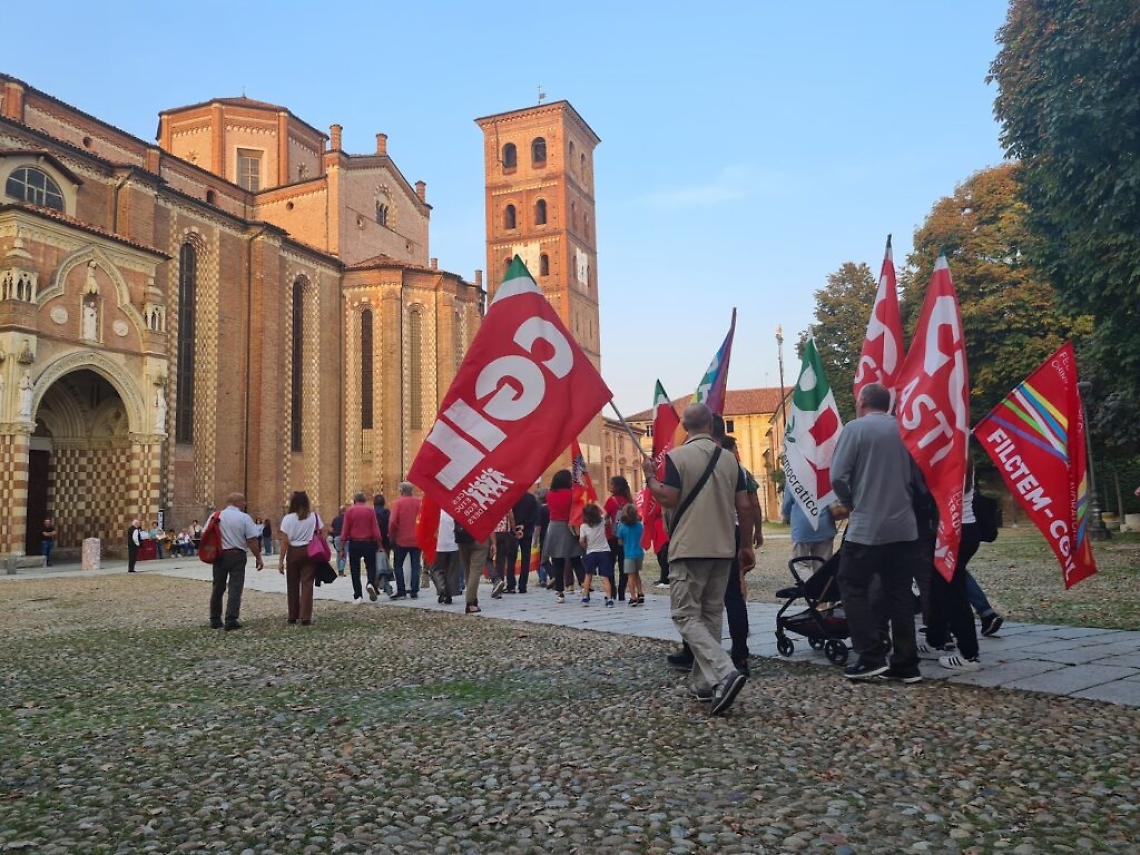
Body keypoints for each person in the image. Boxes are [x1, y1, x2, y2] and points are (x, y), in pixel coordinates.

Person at [642, 403, 756, 716]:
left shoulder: (676, 458)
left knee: (684, 615)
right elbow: (744, 506)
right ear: (711, 424)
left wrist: (650, 478)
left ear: (685, 427)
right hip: (722, 548)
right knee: (710, 614)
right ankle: (705, 684)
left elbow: (668, 497)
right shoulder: (731, 460)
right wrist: (745, 545)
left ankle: (724, 670)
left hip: (690, 546)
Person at [830, 383, 924, 682]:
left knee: (850, 583)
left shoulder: (855, 430)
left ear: (862, 402)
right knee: (899, 593)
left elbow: (837, 476)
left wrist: (849, 501)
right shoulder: (905, 431)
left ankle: (870, 653)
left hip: (868, 526)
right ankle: (906, 663)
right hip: (904, 526)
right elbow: (918, 476)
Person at [926, 469, 985, 672]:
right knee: (938, 588)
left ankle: (969, 654)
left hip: (954, 531)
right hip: (964, 528)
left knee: (953, 592)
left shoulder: (951, 456)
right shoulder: (963, 451)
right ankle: (935, 640)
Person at [209, 493, 264, 630]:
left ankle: (215, 619)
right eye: (243, 501)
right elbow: (251, 539)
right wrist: (258, 557)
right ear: (236, 502)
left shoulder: (216, 516)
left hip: (220, 555)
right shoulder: (244, 517)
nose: (245, 504)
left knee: (218, 587)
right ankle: (231, 619)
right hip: (237, 555)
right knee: (235, 587)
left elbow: (206, 534)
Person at [277, 491, 326, 625]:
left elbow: (285, 541)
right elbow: (322, 532)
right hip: (309, 550)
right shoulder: (314, 516)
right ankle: (305, 615)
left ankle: (292, 615)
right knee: (307, 583)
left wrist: (281, 561)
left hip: (293, 551)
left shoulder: (287, 519)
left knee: (292, 583)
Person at [542, 469, 584, 604]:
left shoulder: (550, 494)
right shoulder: (571, 494)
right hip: (568, 526)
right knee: (576, 558)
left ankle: (560, 592)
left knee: (557, 561)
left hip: (554, 527)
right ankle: (584, 585)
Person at [339, 491, 385, 603]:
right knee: (371, 566)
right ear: (365, 501)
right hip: (369, 542)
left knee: (355, 569)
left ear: (354, 501)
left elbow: (345, 531)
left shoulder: (349, 512)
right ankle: (370, 583)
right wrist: (379, 545)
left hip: (355, 542)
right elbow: (375, 529)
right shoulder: (370, 511)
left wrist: (342, 548)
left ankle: (358, 595)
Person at [782, 488, 838, 563]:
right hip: (824, 526)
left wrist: (786, 516)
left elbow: (787, 504)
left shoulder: (793, 478)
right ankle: (821, 575)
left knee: (799, 564)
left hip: (802, 527)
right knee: (823, 565)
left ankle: (807, 575)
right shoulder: (825, 477)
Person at [389, 482, 422, 600]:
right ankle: (414, 591)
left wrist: (392, 535)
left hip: (401, 539)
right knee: (415, 565)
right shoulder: (419, 502)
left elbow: (392, 521)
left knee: (398, 565)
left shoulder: (398, 503)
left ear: (401, 491)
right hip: (417, 539)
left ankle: (401, 590)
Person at [578, 502, 614, 606]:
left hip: (591, 552)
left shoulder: (583, 526)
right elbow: (606, 513)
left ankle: (585, 597)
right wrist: (598, 504)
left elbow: (581, 541)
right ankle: (609, 598)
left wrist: (586, 547)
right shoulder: (601, 521)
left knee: (588, 575)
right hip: (604, 551)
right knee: (604, 577)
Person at [605, 476, 634, 600]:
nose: (609, 486)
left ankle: (612, 590)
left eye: (611, 484)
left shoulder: (611, 501)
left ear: (616, 487)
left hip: (611, 536)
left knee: (609, 564)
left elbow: (604, 515)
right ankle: (622, 591)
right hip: (625, 537)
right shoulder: (629, 502)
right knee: (624, 566)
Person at [614, 502, 646, 606]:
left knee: (630, 576)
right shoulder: (639, 526)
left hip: (629, 555)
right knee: (636, 574)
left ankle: (633, 597)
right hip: (639, 553)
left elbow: (619, 542)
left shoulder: (623, 527)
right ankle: (640, 593)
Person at [458, 527, 493, 614]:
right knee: (475, 570)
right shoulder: (483, 512)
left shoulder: (461, 512)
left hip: (462, 537)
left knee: (467, 569)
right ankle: (470, 602)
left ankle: (473, 597)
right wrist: (493, 542)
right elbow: (490, 526)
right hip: (480, 538)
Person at [511, 486, 539, 593]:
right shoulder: (531, 498)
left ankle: (511, 584)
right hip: (527, 531)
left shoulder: (512, 497)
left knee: (511, 557)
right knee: (526, 558)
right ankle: (523, 585)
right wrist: (525, 525)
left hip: (513, 531)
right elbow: (535, 516)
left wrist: (515, 527)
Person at [429, 510, 461, 605]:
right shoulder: (454, 512)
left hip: (439, 545)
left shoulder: (436, 513)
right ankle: (449, 593)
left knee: (435, 569)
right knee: (450, 571)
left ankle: (442, 589)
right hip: (453, 545)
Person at [373, 494, 393, 595]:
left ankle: (375, 584)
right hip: (386, 541)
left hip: (374, 541)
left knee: (374, 564)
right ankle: (385, 584)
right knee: (385, 562)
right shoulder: (388, 513)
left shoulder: (371, 513)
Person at [330, 505, 348, 577]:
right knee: (344, 554)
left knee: (338, 554)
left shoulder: (335, 519)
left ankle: (338, 569)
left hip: (337, 538)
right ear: (345, 511)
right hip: (345, 538)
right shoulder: (347, 518)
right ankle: (341, 570)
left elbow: (331, 529)